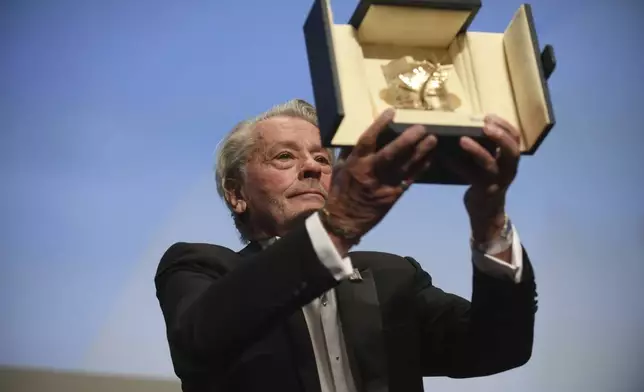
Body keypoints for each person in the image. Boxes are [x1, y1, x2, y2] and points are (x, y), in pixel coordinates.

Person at [155, 99, 538, 392]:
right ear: (236, 194)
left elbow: (500, 346)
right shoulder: (199, 267)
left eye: (322, 157)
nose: (313, 167)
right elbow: (199, 343)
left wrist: (489, 218)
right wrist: (336, 226)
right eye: (284, 156)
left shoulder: (394, 276)